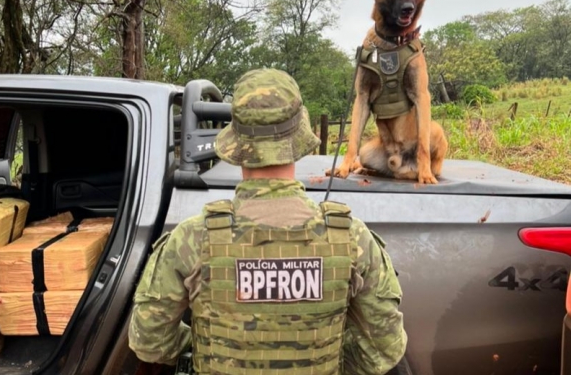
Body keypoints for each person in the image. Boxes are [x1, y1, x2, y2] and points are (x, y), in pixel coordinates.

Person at [129, 68, 407, 374]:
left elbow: (150, 341)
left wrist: (205, 347)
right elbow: (383, 349)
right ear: (299, 135)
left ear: (236, 142)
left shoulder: (192, 239)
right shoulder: (352, 239)